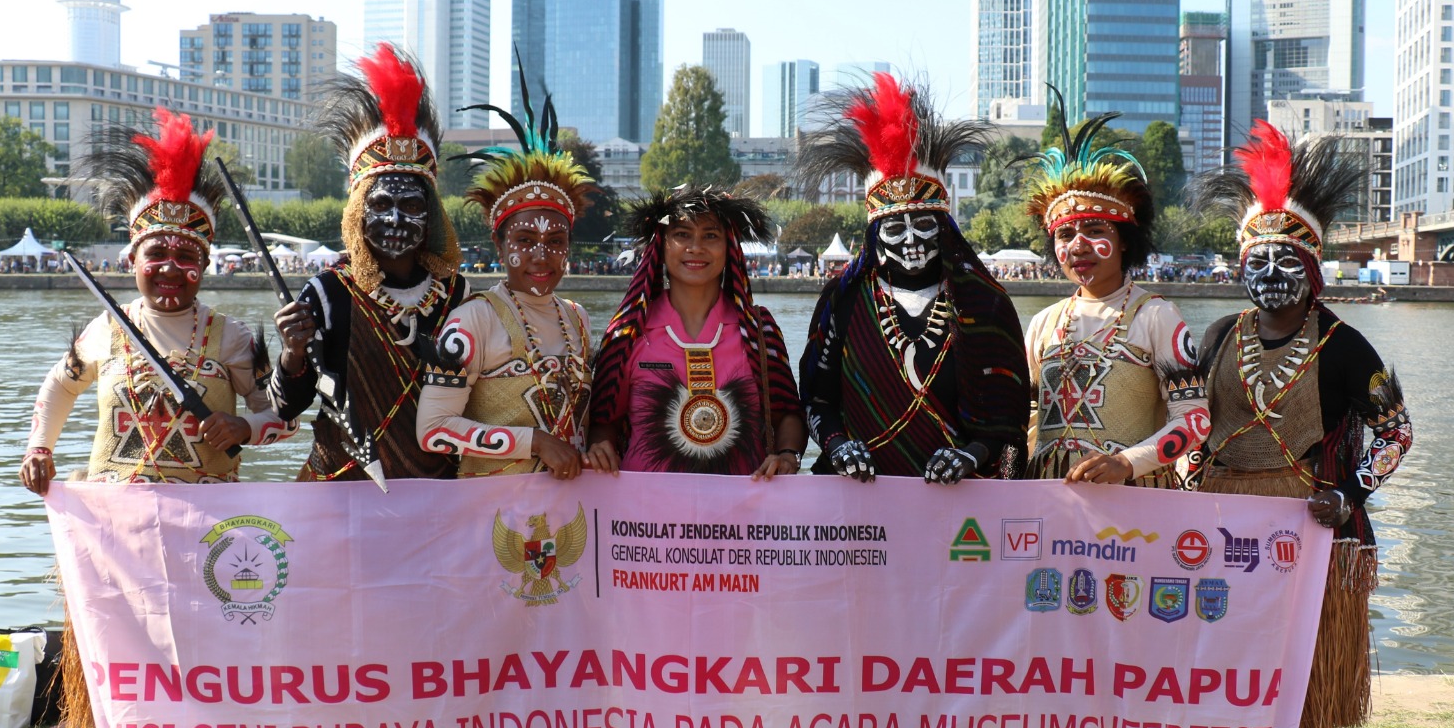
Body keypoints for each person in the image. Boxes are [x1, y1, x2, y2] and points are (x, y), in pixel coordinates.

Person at [19, 108, 298, 728]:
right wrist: (40, 448)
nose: (170, 268)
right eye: (156, 254)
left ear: (204, 262)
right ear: (131, 257)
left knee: (205, 630)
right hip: (117, 519)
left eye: (185, 255)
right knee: (120, 629)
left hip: (207, 520)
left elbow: (276, 417)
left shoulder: (231, 339)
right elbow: (57, 386)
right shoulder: (104, 328)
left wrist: (245, 430)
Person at [1189, 121, 1414, 728]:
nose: (1274, 273)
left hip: (1312, 531)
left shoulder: (1349, 346)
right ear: (1240, 269)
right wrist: (1177, 469)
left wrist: (1347, 492)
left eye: (1290, 260)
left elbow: (1396, 430)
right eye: (1260, 260)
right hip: (1219, 529)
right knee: (1222, 671)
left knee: (1302, 678)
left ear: (1314, 269)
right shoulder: (1217, 336)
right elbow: (1192, 429)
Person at [796, 73, 1029, 483]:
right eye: (894, 229)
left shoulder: (984, 303)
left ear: (945, 229)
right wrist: (837, 446)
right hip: (859, 500)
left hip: (961, 504)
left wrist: (970, 457)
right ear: (875, 239)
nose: (911, 240)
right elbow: (817, 397)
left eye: (924, 224)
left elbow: (1009, 421)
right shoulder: (844, 299)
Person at [270, 43, 466, 484]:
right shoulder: (326, 292)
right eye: (382, 205)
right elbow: (284, 407)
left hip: (439, 495)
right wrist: (292, 353)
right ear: (359, 212)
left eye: (411, 204)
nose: (396, 219)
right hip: (342, 489)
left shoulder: (458, 294)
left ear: (431, 214)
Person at [1020, 102, 1208, 486]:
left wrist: (1126, 463)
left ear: (1124, 242)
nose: (1078, 247)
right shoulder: (1043, 323)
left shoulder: (1157, 317)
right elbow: (1026, 417)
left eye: (1096, 231)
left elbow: (1194, 420)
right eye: (1065, 235)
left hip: (1133, 509)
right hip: (1046, 503)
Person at [416, 88, 597, 479]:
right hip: (490, 522)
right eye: (525, 241)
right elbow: (432, 431)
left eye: (555, 242)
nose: (541, 256)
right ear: (499, 245)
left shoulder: (578, 319)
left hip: (570, 521)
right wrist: (534, 442)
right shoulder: (473, 321)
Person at [588, 187, 805, 479]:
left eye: (711, 236)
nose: (696, 247)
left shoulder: (758, 330)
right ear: (661, 246)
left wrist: (788, 455)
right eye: (682, 234)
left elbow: (789, 413)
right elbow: (604, 419)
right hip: (644, 516)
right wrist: (600, 447)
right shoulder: (628, 331)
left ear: (730, 248)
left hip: (743, 512)